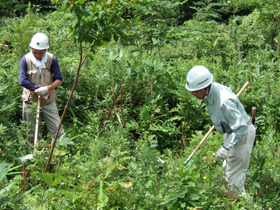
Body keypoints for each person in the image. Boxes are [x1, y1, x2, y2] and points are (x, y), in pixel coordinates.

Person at [185, 65, 256, 192]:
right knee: (227, 170)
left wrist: (226, 147)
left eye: (195, 91)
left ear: (205, 87)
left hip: (241, 133)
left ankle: (242, 203)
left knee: (235, 178)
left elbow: (241, 127)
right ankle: (231, 199)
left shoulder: (225, 101)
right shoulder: (212, 89)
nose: (193, 94)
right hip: (232, 131)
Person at [19, 32, 64, 144]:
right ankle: (36, 153)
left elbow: (59, 79)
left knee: (58, 131)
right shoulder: (25, 60)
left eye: (41, 53)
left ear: (46, 50)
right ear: (31, 48)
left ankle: (62, 152)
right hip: (30, 101)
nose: (38, 55)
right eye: (35, 52)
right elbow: (23, 80)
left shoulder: (52, 59)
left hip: (48, 100)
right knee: (30, 132)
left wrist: (47, 89)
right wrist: (37, 89)